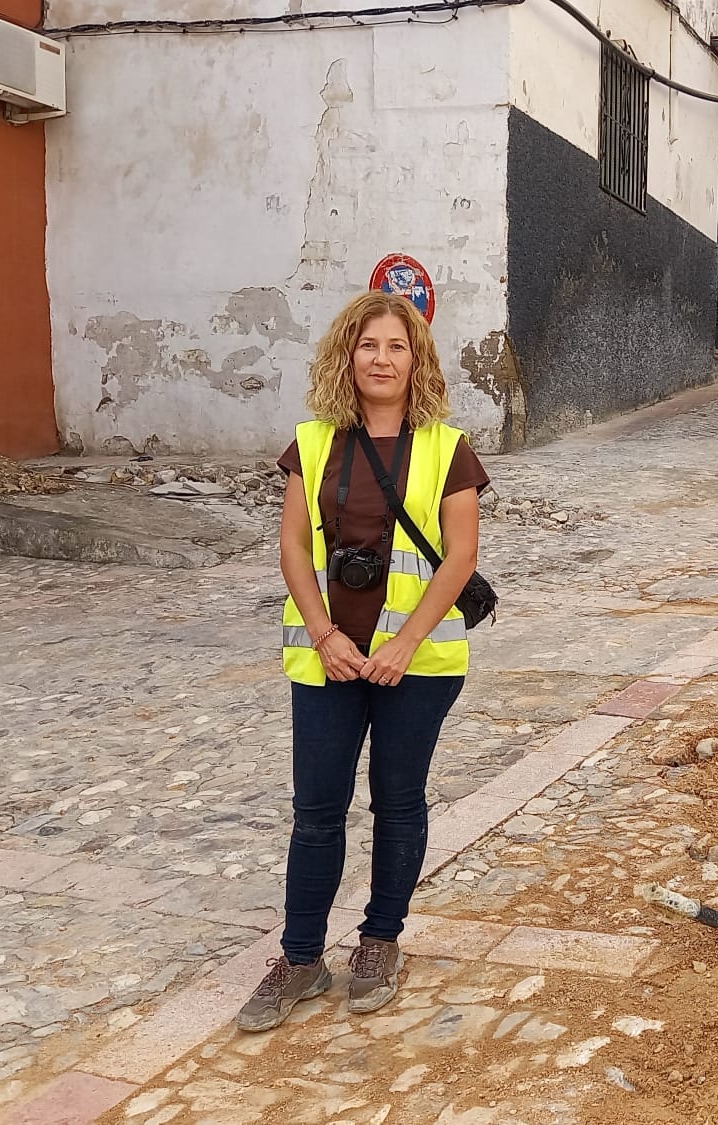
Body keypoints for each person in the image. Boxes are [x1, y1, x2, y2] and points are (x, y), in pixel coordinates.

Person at [237, 291, 491, 1033]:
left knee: (398, 800)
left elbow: (461, 556)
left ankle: (380, 942)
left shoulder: (448, 448)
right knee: (316, 809)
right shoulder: (312, 444)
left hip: (418, 663)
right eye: (369, 345)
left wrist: (404, 642)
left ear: (418, 363)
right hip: (329, 661)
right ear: (348, 356)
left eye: (397, 347)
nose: (382, 358)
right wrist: (323, 634)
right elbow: (291, 547)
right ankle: (302, 956)